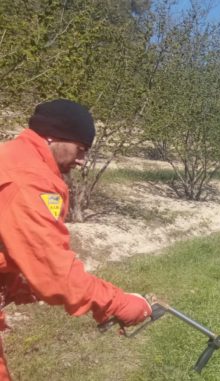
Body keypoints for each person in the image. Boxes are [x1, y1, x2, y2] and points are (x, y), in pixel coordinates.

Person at [0, 99, 152, 379]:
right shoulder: (26, 179)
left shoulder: (16, 158)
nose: (82, 160)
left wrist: (18, 283)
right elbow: (53, 271)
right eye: (81, 149)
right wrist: (117, 303)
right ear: (53, 136)